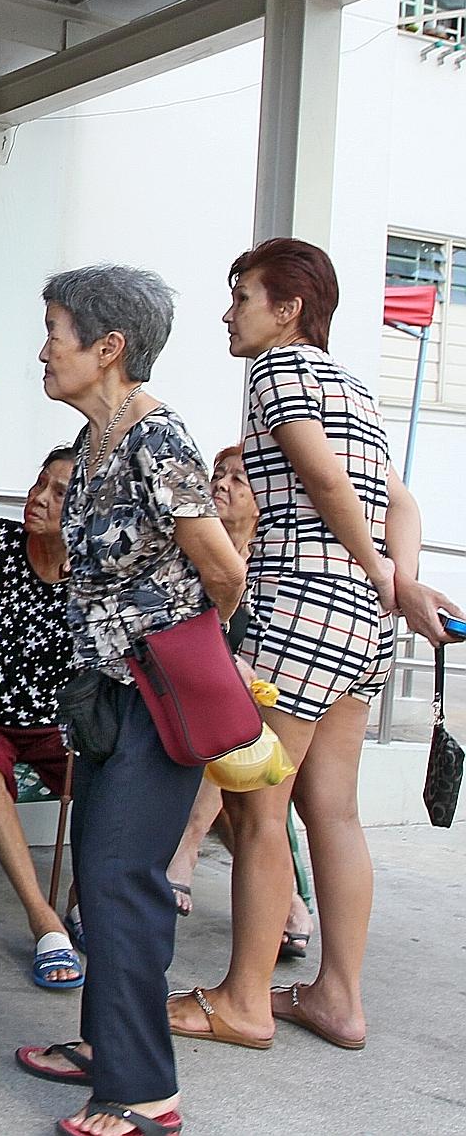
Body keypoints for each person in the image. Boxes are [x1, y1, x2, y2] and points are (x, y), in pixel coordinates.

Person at [167, 238, 464, 1055]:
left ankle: (244, 1001)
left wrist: (387, 577)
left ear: (288, 309)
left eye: (243, 297)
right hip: (359, 630)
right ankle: (337, 996)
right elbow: (399, 499)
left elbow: (325, 480)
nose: (230, 313)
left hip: (298, 612)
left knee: (255, 805)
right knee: (330, 808)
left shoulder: (277, 371)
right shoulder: (358, 388)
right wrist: (396, 583)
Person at [15, 265, 246, 1136]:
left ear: (109, 347)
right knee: (99, 880)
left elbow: (222, 572)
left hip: (157, 699)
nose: (44, 348)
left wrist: (183, 658)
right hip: (109, 692)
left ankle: (145, 1086)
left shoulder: (161, 442)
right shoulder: (99, 445)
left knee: (124, 879)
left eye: (56, 330)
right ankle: (103, 1043)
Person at [165, 444, 315, 960]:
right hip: (192, 705)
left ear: (265, 501)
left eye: (239, 480)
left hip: (252, 718)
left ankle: (186, 847)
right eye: (218, 473)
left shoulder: (275, 570)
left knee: (235, 735)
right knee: (229, 743)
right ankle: (290, 900)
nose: (221, 484)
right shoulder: (191, 554)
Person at [0, 444, 81, 991]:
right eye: (38, 484)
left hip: (56, 724)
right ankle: (43, 919)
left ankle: (82, 905)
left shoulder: (92, 571)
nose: (39, 499)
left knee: (113, 777)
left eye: (59, 493)